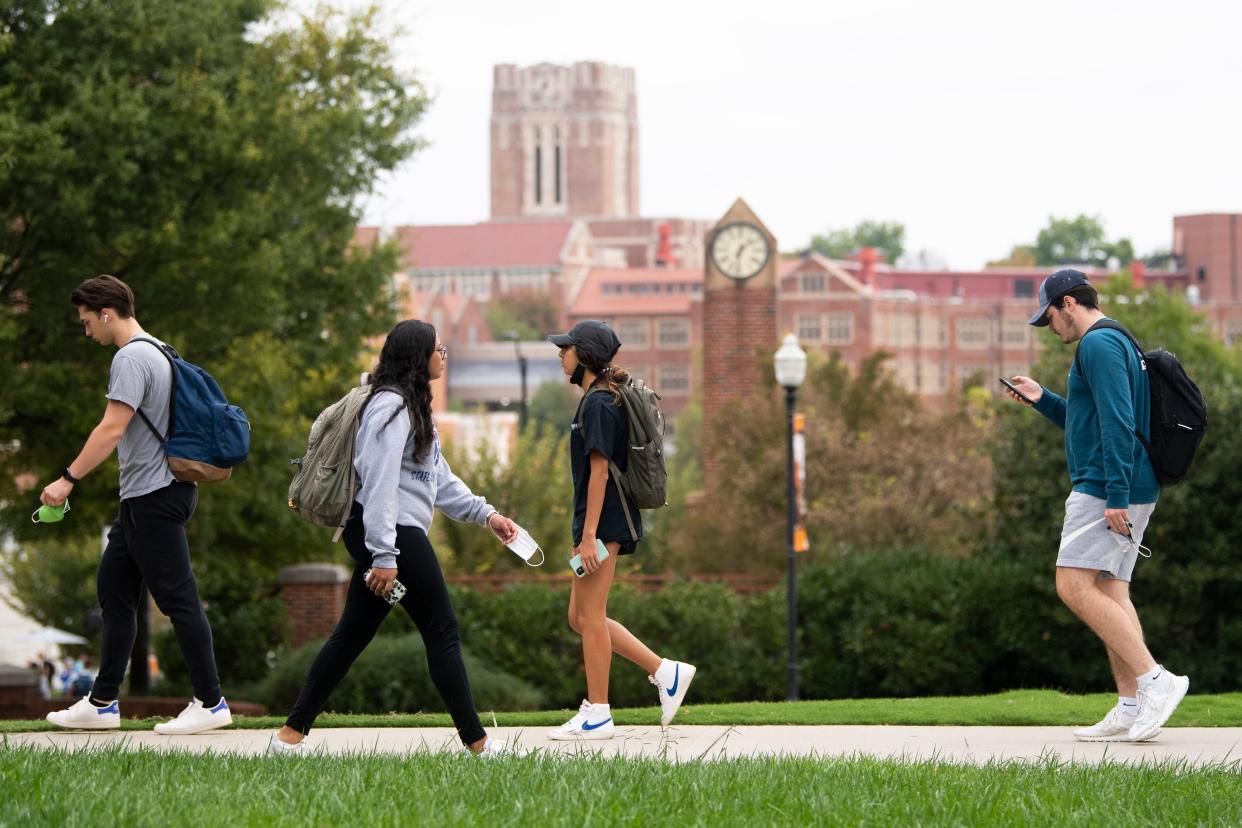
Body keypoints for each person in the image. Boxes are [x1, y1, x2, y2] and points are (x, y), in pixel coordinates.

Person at [269, 320, 522, 756]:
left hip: (389, 534)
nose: (443, 353)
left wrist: (487, 514)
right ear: (416, 355)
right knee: (441, 630)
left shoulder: (413, 407)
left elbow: (436, 480)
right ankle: (479, 745)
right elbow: (380, 481)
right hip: (391, 534)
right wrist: (385, 555)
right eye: (437, 347)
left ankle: (289, 738)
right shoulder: (389, 408)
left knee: (352, 635)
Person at [1004, 269, 1188, 743]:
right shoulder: (1114, 340)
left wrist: (1115, 495)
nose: (1051, 329)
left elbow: (1119, 423)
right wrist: (1043, 399)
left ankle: (1156, 681)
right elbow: (1088, 422)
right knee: (1111, 591)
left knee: (1072, 584)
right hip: (1126, 483)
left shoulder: (1097, 345)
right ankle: (1130, 705)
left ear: (1068, 303)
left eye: (1049, 317)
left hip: (1104, 487)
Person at [43, 275, 231, 734]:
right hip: (145, 497)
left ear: (106, 313)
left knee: (177, 597)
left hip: (155, 496)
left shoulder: (131, 357)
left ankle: (211, 701)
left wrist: (68, 479)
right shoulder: (161, 349)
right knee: (115, 588)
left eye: (88, 322)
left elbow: (111, 428)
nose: (87, 332)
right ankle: (103, 701)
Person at [546, 320, 695, 740]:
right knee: (579, 616)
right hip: (597, 521)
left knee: (590, 616)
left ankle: (599, 712)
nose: (561, 354)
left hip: (604, 520)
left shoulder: (598, 404)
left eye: (567, 348)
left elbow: (599, 474)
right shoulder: (597, 398)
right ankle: (665, 671)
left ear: (585, 356)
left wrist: (590, 535)